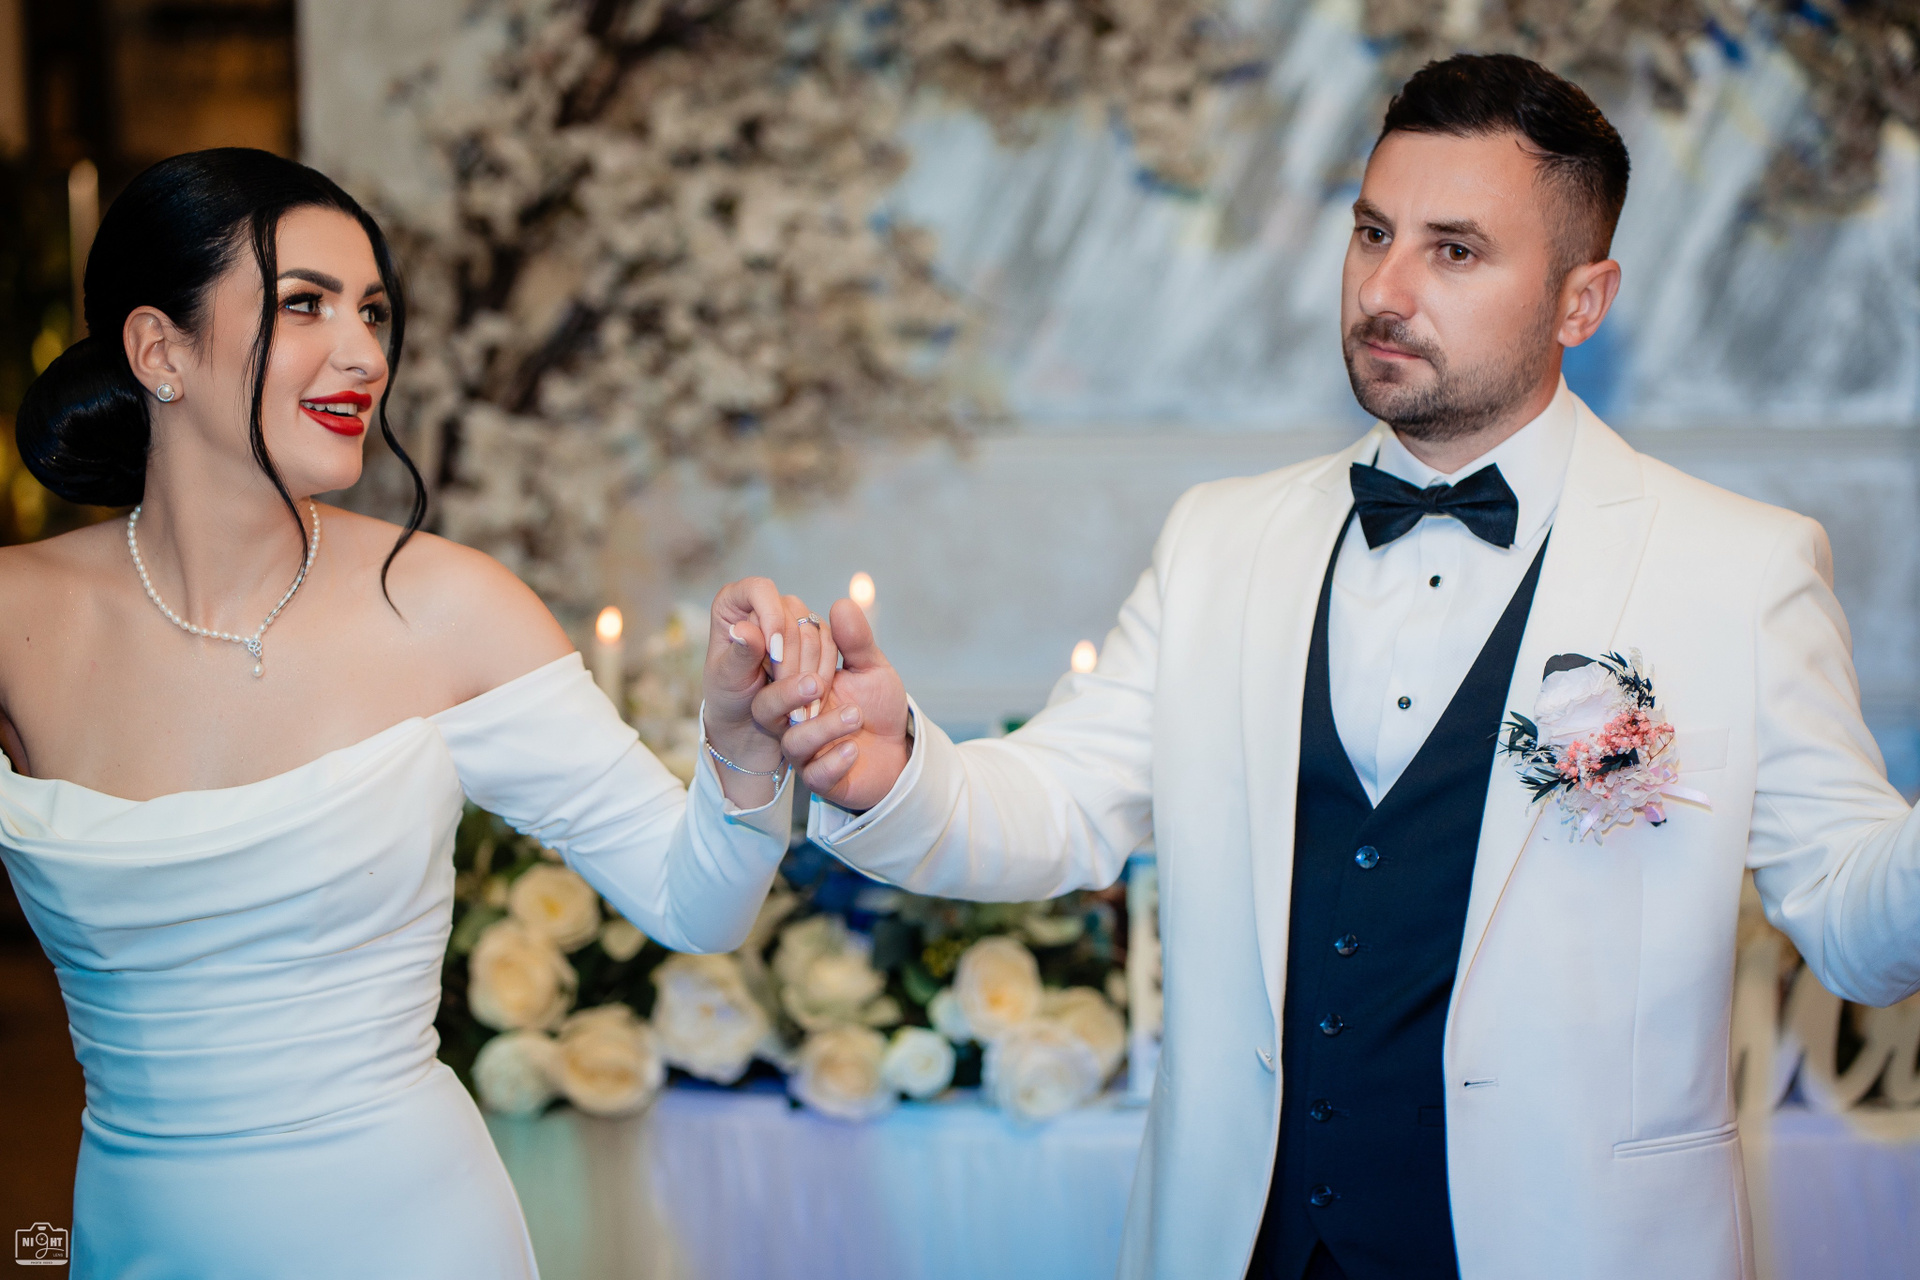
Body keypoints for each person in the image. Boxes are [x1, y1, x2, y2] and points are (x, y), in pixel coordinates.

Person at [768, 54, 1920, 1280]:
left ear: (1582, 301)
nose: (1384, 287)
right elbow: (1058, 803)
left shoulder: (1737, 571)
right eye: (1374, 232)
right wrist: (894, 770)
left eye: (1454, 250)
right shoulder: (1221, 539)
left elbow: (1857, 926)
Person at [0, 148, 828, 1278]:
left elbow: (699, 903)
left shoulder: (451, 609)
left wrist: (740, 744)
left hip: (414, 1235)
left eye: (374, 312)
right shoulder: (18, 618)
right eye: (306, 304)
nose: (365, 355)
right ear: (159, 350)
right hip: (134, 1238)